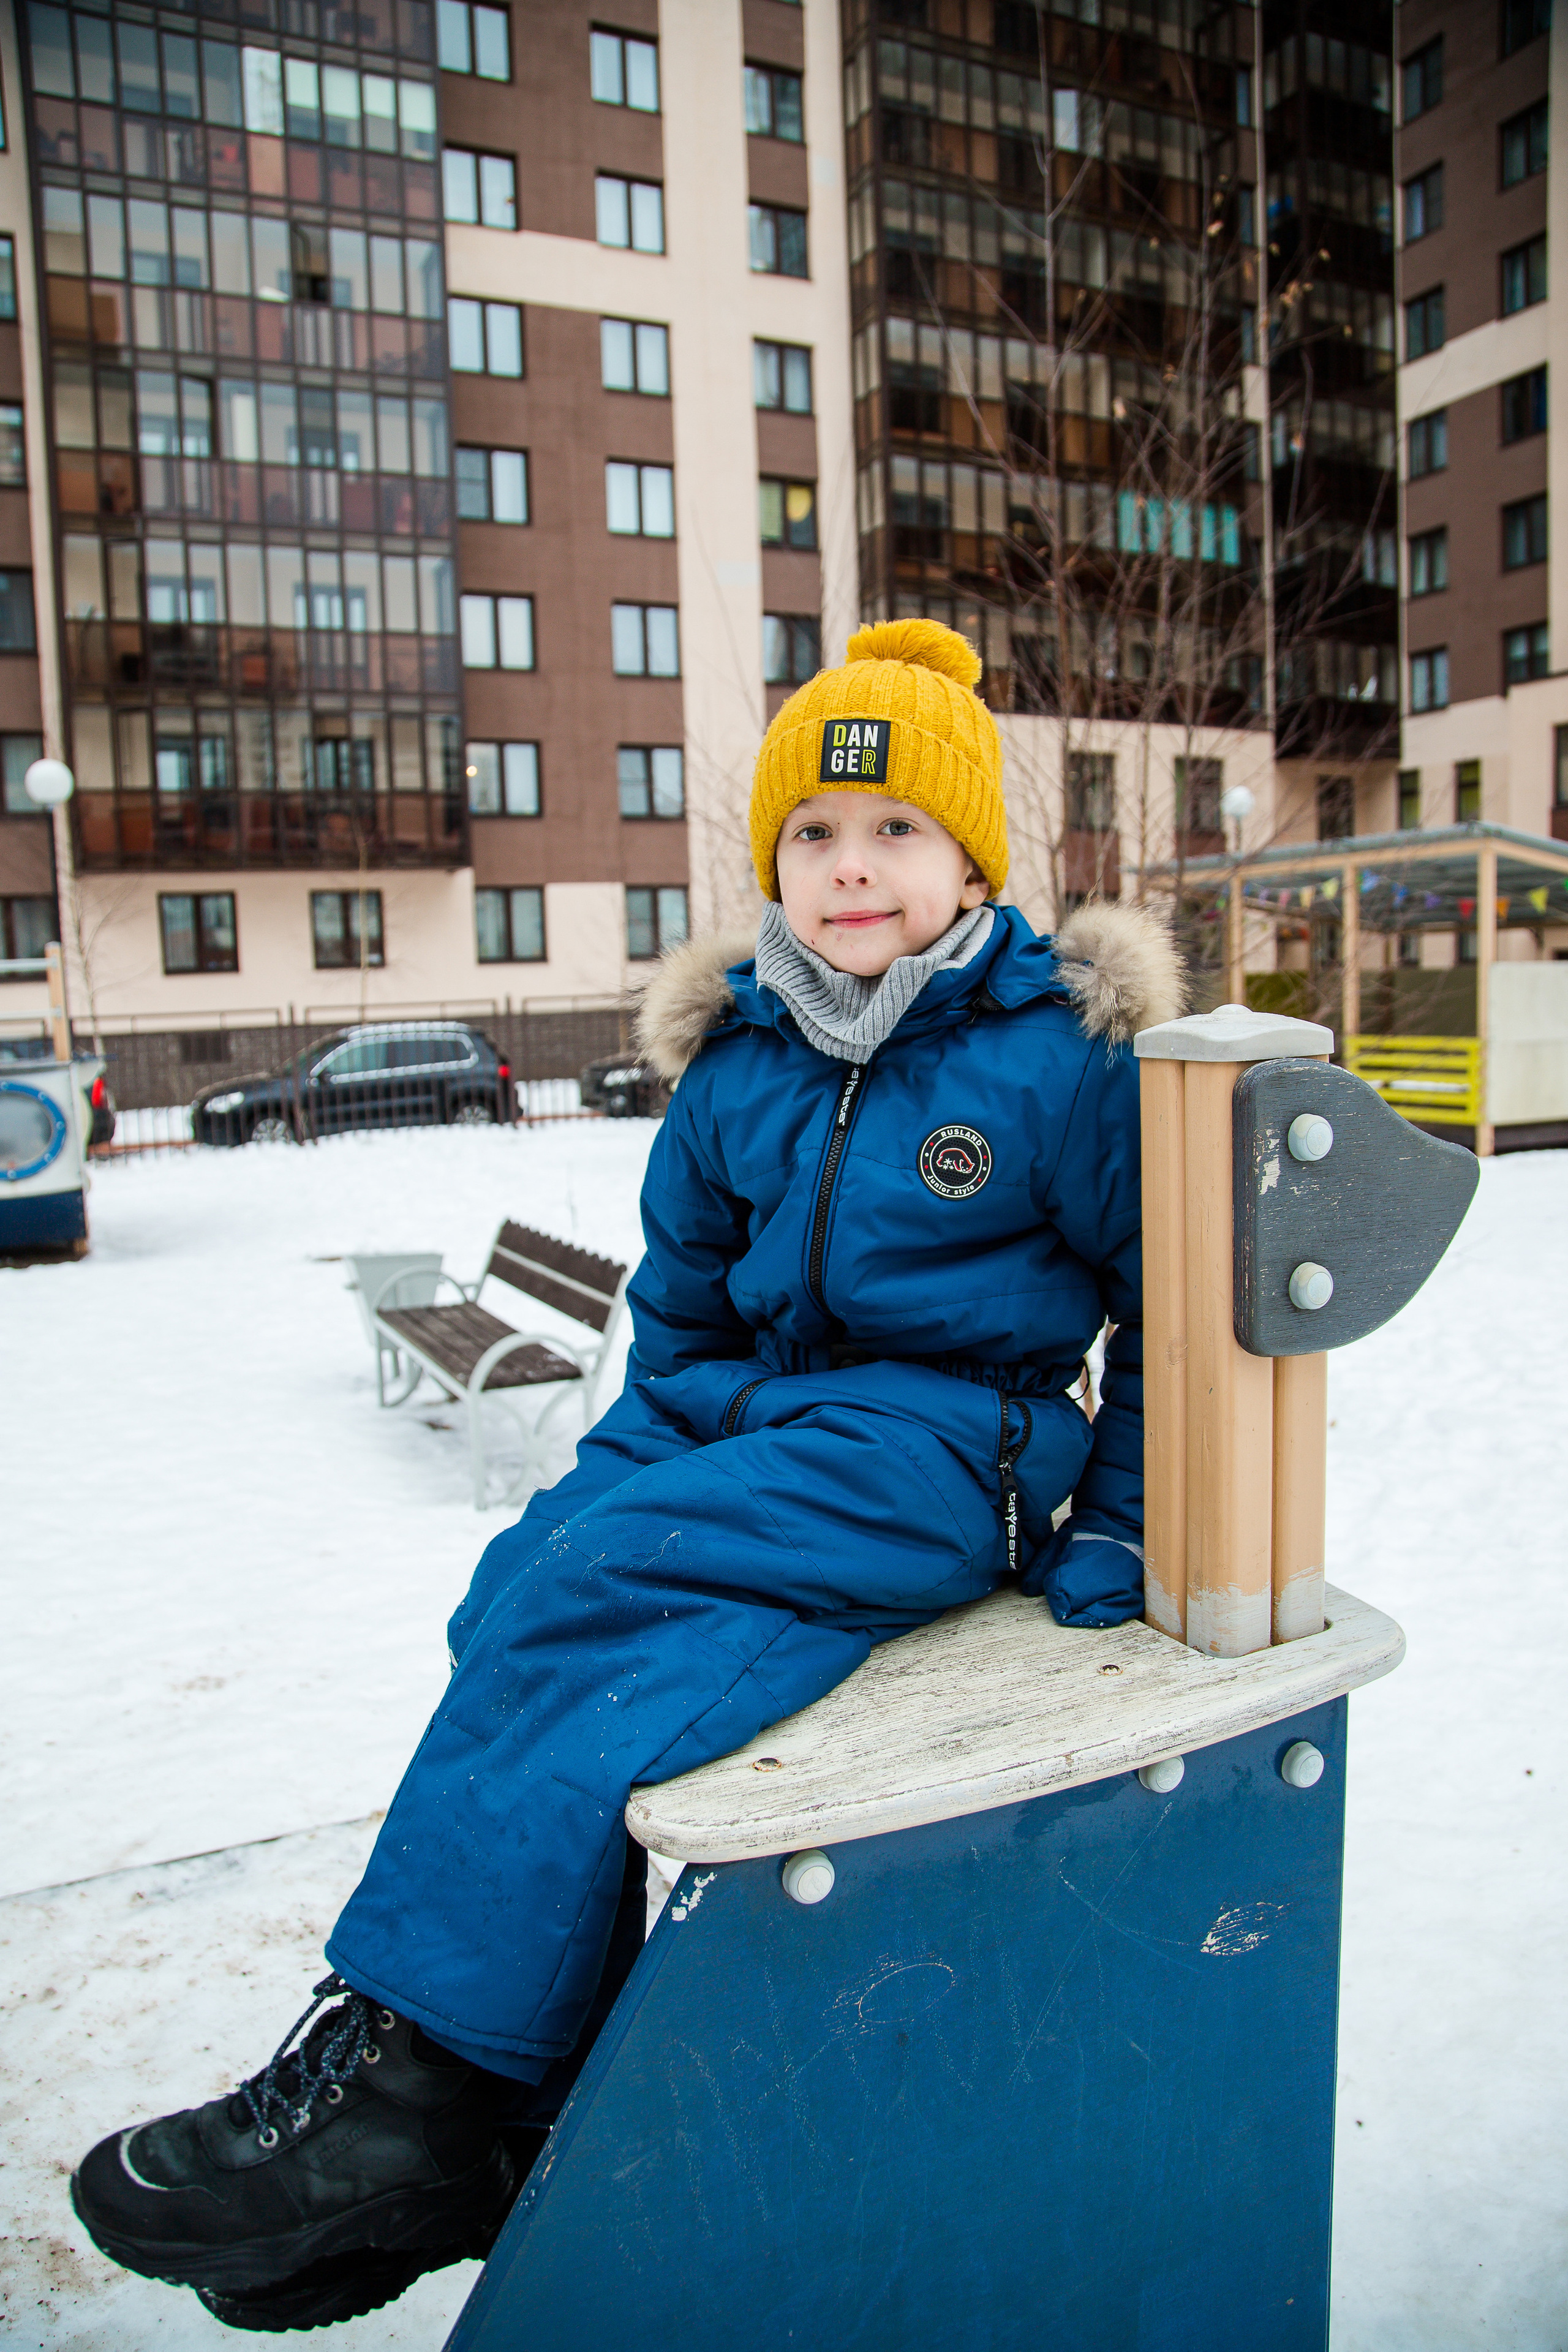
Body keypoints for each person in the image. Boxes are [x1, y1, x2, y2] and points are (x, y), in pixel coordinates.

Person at [71, 619, 1183, 2329]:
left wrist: (1109, 1525)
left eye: (895, 831)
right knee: (524, 1581)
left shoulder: (1050, 1059)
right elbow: (672, 1329)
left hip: (960, 1450)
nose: (852, 866)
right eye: (814, 833)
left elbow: (1166, 1311)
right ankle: (475, 2083)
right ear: (773, 866)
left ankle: (422, 2092)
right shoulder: (740, 1068)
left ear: (973, 859)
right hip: (769, 1437)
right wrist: (597, 1499)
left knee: (591, 1579)